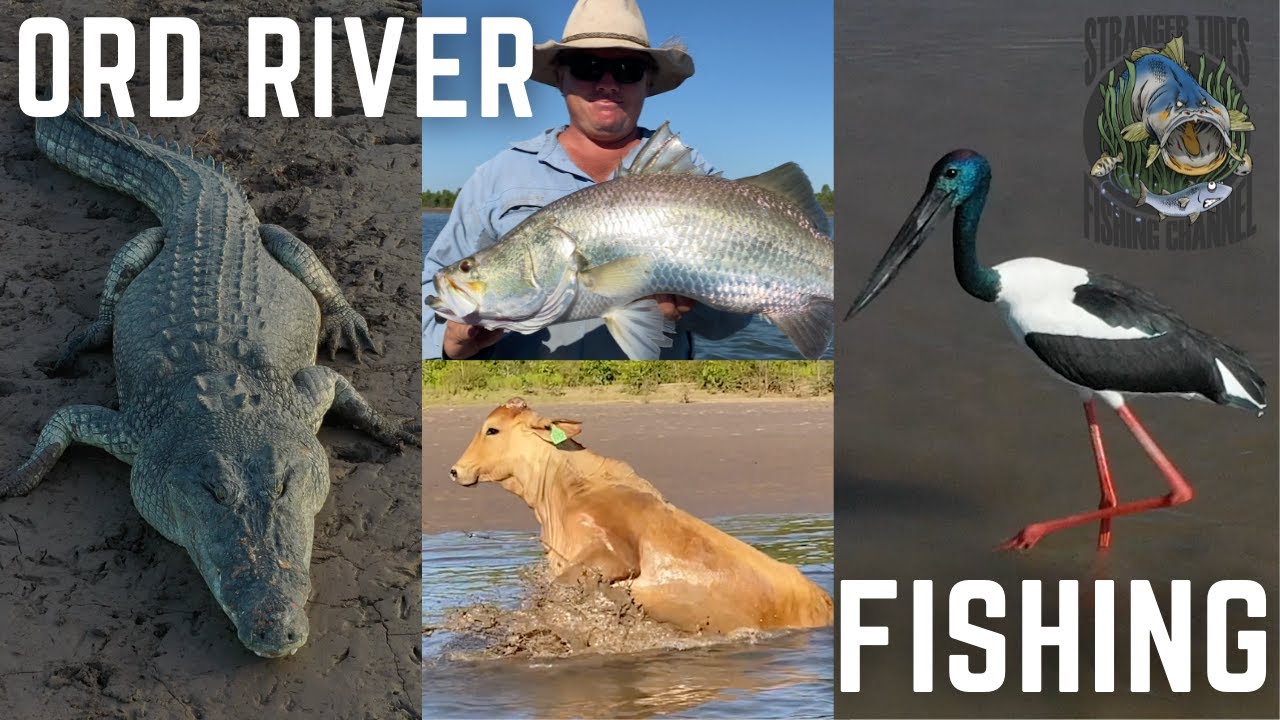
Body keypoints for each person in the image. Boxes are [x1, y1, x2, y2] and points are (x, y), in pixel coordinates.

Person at [421, 0, 752, 360]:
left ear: (648, 80)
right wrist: (447, 341)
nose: (606, 83)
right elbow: (432, 285)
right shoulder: (497, 177)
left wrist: (698, 305)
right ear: (560, 77)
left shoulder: (698, 179)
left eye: (627, 69)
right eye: (587, 66)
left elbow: (732, 322)